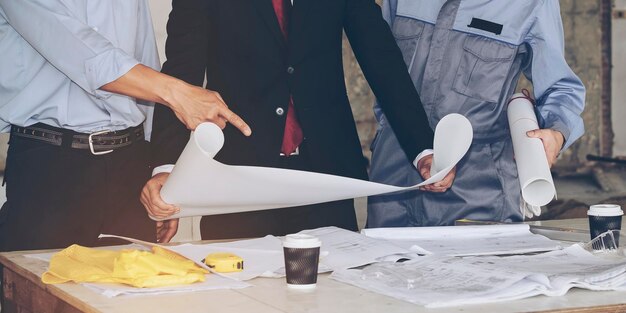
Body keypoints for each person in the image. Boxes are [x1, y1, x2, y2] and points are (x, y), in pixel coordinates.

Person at [142, 0, 452, 242]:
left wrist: (423, 148)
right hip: (239, 182)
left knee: (333, 298)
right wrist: (167, 169)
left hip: (326, 179)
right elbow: (181, 73)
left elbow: (380, 55)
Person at [0, 0, 250, 251]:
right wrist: (179, 94)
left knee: (139, 285)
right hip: (50, 167)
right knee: (40, 284)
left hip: (130, 166)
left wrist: (161, 173)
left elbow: (144, 61)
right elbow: (87, 56)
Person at [367, 0, 585, 228]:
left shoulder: (532, 4)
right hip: (392, 185)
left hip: (477, 192)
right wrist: (385, 134)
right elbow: (383, 69)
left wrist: (556, 133)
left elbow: (561, 88)